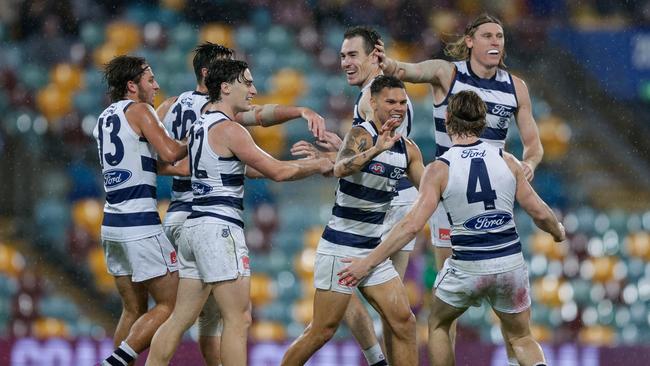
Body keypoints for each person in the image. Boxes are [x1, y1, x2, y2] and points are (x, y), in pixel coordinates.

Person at [338, 90, 565, 366]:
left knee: (439, 324)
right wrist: (557, 232)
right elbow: (540, 212)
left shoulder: (440, 169)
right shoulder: (508, 161)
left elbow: (410, 226)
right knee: (522, 338)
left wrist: (368, 262)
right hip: (509, 264)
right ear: (482, 121)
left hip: (468, 268)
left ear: (447, 120)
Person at [376, 13, 543, 362]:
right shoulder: (446, 73)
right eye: (487, 35)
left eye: (500, 36)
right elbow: (407, 70)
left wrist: (528, 165)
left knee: (507, 313)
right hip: (449, 198)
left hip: (493, 200)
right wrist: (388, 62)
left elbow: (534, 144)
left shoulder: (516, 87)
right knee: (445, 303)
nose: (496, 41)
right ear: (469, 41)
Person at [145, 59, 332, 366]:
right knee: (239, 318)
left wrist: (311, 166)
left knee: (179, 319)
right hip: (220, 229)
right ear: (226, 87)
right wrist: (320, 164)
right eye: (247, 82)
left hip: (194, 227)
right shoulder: (231, 130)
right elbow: (277, 172)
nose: (254, 90)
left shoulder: (199, 125)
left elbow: (248, 170)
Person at [290, 26, 417, 365]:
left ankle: (377, 359)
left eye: (352, 55)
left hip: (389, 206)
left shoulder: (375, 98)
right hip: (361, 222)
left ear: (375, 54)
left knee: (398, 316)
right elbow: (356, 160)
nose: (344, 62)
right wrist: (341, 151)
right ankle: (377, 359)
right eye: (343, 55)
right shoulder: (377, 101)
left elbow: (370, 160)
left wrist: (337, 157)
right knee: (328, 325)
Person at [95, 55, 188, 366]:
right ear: (132, 86)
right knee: (172, 302)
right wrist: (200, 130)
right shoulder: (140, 110)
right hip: (140, 224)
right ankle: (116, 361)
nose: (157, 86)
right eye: (151, 80)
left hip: (111, 223)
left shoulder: (104, 118)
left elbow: (147, 161)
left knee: (133, 309)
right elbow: (171, 152)